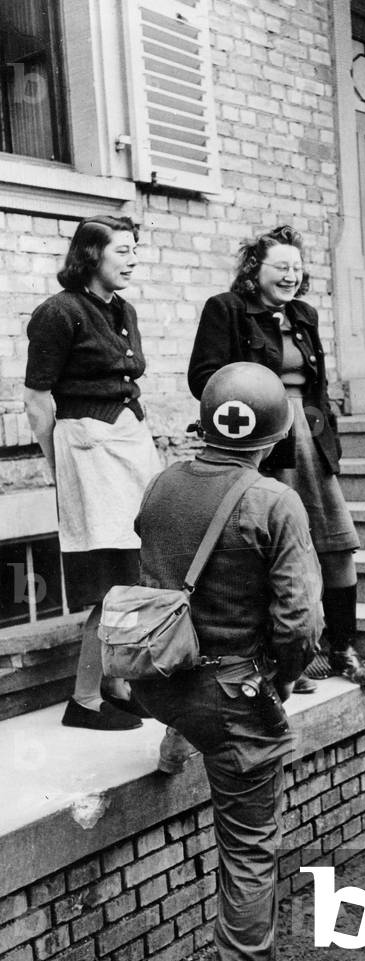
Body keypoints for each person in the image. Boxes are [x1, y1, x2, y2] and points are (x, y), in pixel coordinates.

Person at [131, 363, 323, 961]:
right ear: (270, 437)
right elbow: (301, 625)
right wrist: (285, 680)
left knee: (197, 712)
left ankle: (176, 733)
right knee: (248, 842)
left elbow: (157, 576)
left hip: (159, 680)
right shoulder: (274, 501)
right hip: (233, 698)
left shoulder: (160, 485)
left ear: (205, 420)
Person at [188, 225, 365, 693]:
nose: (291, 276)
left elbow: (319, 386)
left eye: (297, 267)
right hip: (260, 442)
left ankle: (343, 647)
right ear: (255, 270)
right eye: (281, 267)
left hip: (308, 442)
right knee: (271, 550)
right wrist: (251, 420)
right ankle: (284, 661)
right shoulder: (227, 310)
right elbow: (205, 379)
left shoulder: (304, 314)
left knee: (335, 543)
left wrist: (324, 438)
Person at [24, 215, 161, 731]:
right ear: (90, 256)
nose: (132, 260)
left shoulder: (121, 309)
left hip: (128, 448)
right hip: (88, 452)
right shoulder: (59, 313)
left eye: (133, 251)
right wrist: (57, 463)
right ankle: (83, 700)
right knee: (111, 581)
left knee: (136, 572)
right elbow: (37, 399)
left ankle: (118, 684)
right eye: (122, 251)